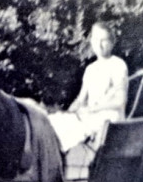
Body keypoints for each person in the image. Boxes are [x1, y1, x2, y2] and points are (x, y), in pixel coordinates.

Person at [49, 21, 129, 153]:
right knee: (54, 121)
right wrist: (68, 112)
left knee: (75, 126)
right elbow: (81, 99)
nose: (99, 44)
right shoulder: (90, 69)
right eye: (96, 39)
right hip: (92, 115)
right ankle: (56, 158)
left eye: (104, 40)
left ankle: (62, 155)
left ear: (112, 43)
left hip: (109, 117)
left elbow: (120, 101)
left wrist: (91, 109)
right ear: (91, 42)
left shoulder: (118, 65)